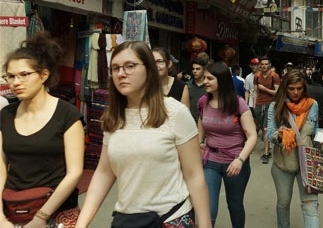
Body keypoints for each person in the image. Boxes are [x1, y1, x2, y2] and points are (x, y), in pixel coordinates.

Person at [75, 41, 210, 228]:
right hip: (127, 219)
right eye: (115, 68)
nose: (121, 73)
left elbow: (194, 175)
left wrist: (205, 225)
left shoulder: (175, 112)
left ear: (149, 69)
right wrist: (81, 224)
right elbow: (104, 172)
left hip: (170, 218)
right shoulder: (113, 118)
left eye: (130, 66)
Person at [0, 32, 84, 227]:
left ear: (44, 75)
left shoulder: (67, 114)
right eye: (10, 76)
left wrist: (41, 217)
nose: (16, 82)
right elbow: (1, 168)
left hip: (57, 212)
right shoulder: (5, 115)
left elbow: (74, 173)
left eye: (24, 75)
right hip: (13, 211)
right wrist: (1, 217)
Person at [198, 61, 257, 228]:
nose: (205, 82)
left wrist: (240, 160)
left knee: (235, 206)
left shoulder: (238, 103)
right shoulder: (203, 102)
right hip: (210, 161)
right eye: (204, 78)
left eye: (209, 78)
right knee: (208, 210)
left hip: (235, 161)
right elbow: (201, 124)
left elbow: (252, 136)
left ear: (221, 80)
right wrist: (199, 144)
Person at [266, 70, 320, 228]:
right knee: (283, 203)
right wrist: (280, 136)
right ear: (285, 88)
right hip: (283, 165)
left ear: (304, 88)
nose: (295, 92)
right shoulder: (276, 106)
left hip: (307, 166)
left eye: (299, 88)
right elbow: (269, 134)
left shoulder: (312, 104)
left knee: (311, 207)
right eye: (291, 88)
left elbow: (313, 131)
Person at [254, 56, 280, 164]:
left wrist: (265, 89)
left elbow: (277, 92)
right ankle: (268, 143)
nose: (264, 66)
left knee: (265, 129)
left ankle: (266, 153)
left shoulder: (275, 76)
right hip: (259, 105)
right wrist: (254, 104)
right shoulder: (257, 76)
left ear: (269, 65)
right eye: (262, 64)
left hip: (270, 104)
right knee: (261, 128)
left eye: (266, 64)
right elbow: (255, 91)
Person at [187, 58, 208, 123]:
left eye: (198, 69)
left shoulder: (208, 86)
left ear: (204, 70)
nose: (194, 71)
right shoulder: (187, 86)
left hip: (205, 121)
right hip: (190, 122)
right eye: (193, 69)